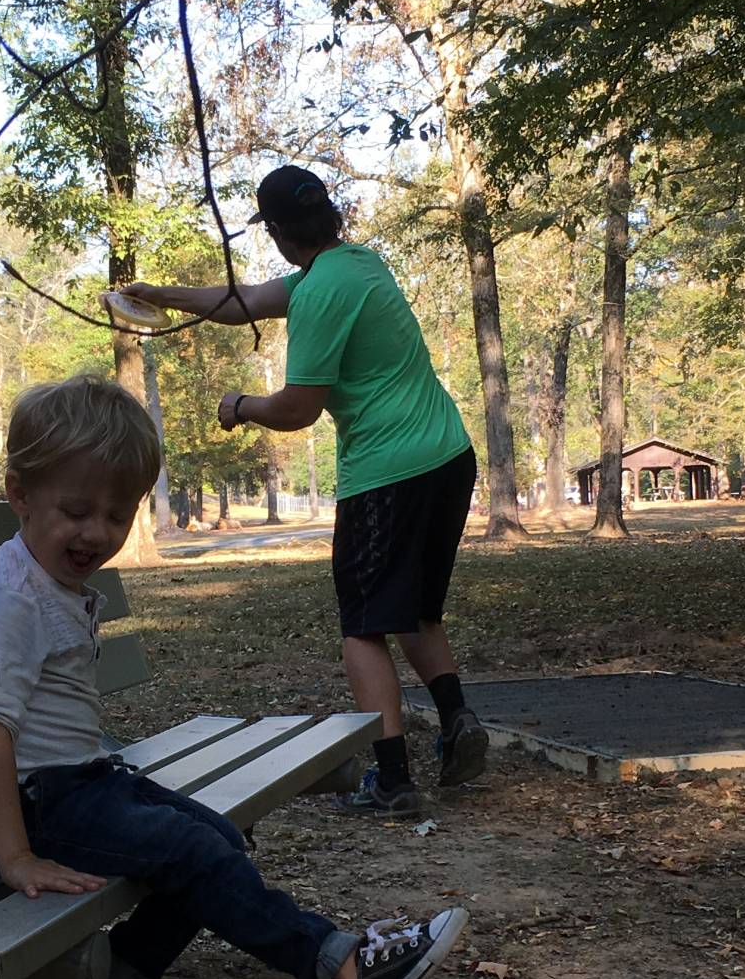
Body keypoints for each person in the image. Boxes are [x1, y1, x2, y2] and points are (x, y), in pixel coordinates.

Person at [0, 373, 468, 979]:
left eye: (117, 516)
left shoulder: (41, 579)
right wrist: (16, 858)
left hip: (70, 784)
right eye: (76, 511)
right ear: (21, 493)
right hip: (19, 809)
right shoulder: (7, 602)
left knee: (217, 836)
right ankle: (342, 968)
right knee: (190, 853)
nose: (96, 533)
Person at [133, 165, 486, 816]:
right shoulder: (358, 265)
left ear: (274, 232)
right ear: (329, 216)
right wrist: (163, 295)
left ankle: (392, 781)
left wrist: (240, 405)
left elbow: (298, 408)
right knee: (414, 610)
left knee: (362, 627)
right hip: (448, 456)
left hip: (388, 473)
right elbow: (244, 302)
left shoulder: (321, 292)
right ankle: (457, 719)